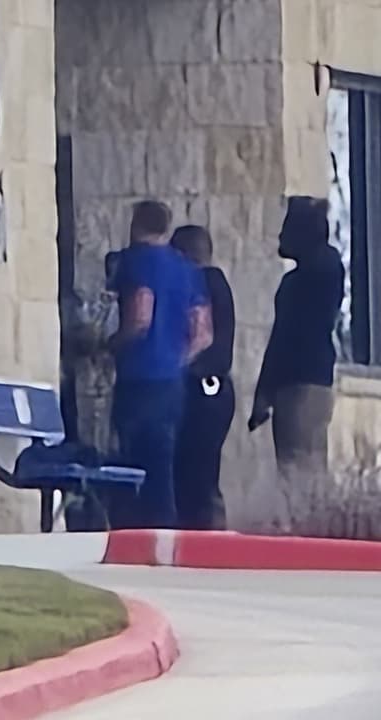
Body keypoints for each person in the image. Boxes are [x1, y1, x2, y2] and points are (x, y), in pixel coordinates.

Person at [108, 201, 212, 528]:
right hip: (172, 383)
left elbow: (141, 314)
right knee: (163, 463)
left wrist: (113, 344)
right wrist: (177, 360)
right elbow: (203, 333)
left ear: (135, 224)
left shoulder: (135, 262)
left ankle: (133, 532)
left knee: (132, 465)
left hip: (138, 378)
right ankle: (165, 529)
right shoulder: (186, 270)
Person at [249, 196, 345, 530]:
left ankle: (309, 530)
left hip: (302, 379)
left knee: (299, 464)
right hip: (306, 378)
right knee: (301, 462)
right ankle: (308, 527)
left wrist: (265, 390)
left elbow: (285, 337)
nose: (279, 237)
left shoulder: (318, 271)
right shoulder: (316, 271)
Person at [171, 226, 235, 530]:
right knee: (204, 471)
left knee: (195, 470)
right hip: (217, 387)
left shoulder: (204, 283)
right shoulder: (217, 283)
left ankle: (204, 533)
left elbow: (203, 338)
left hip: (205, 386)